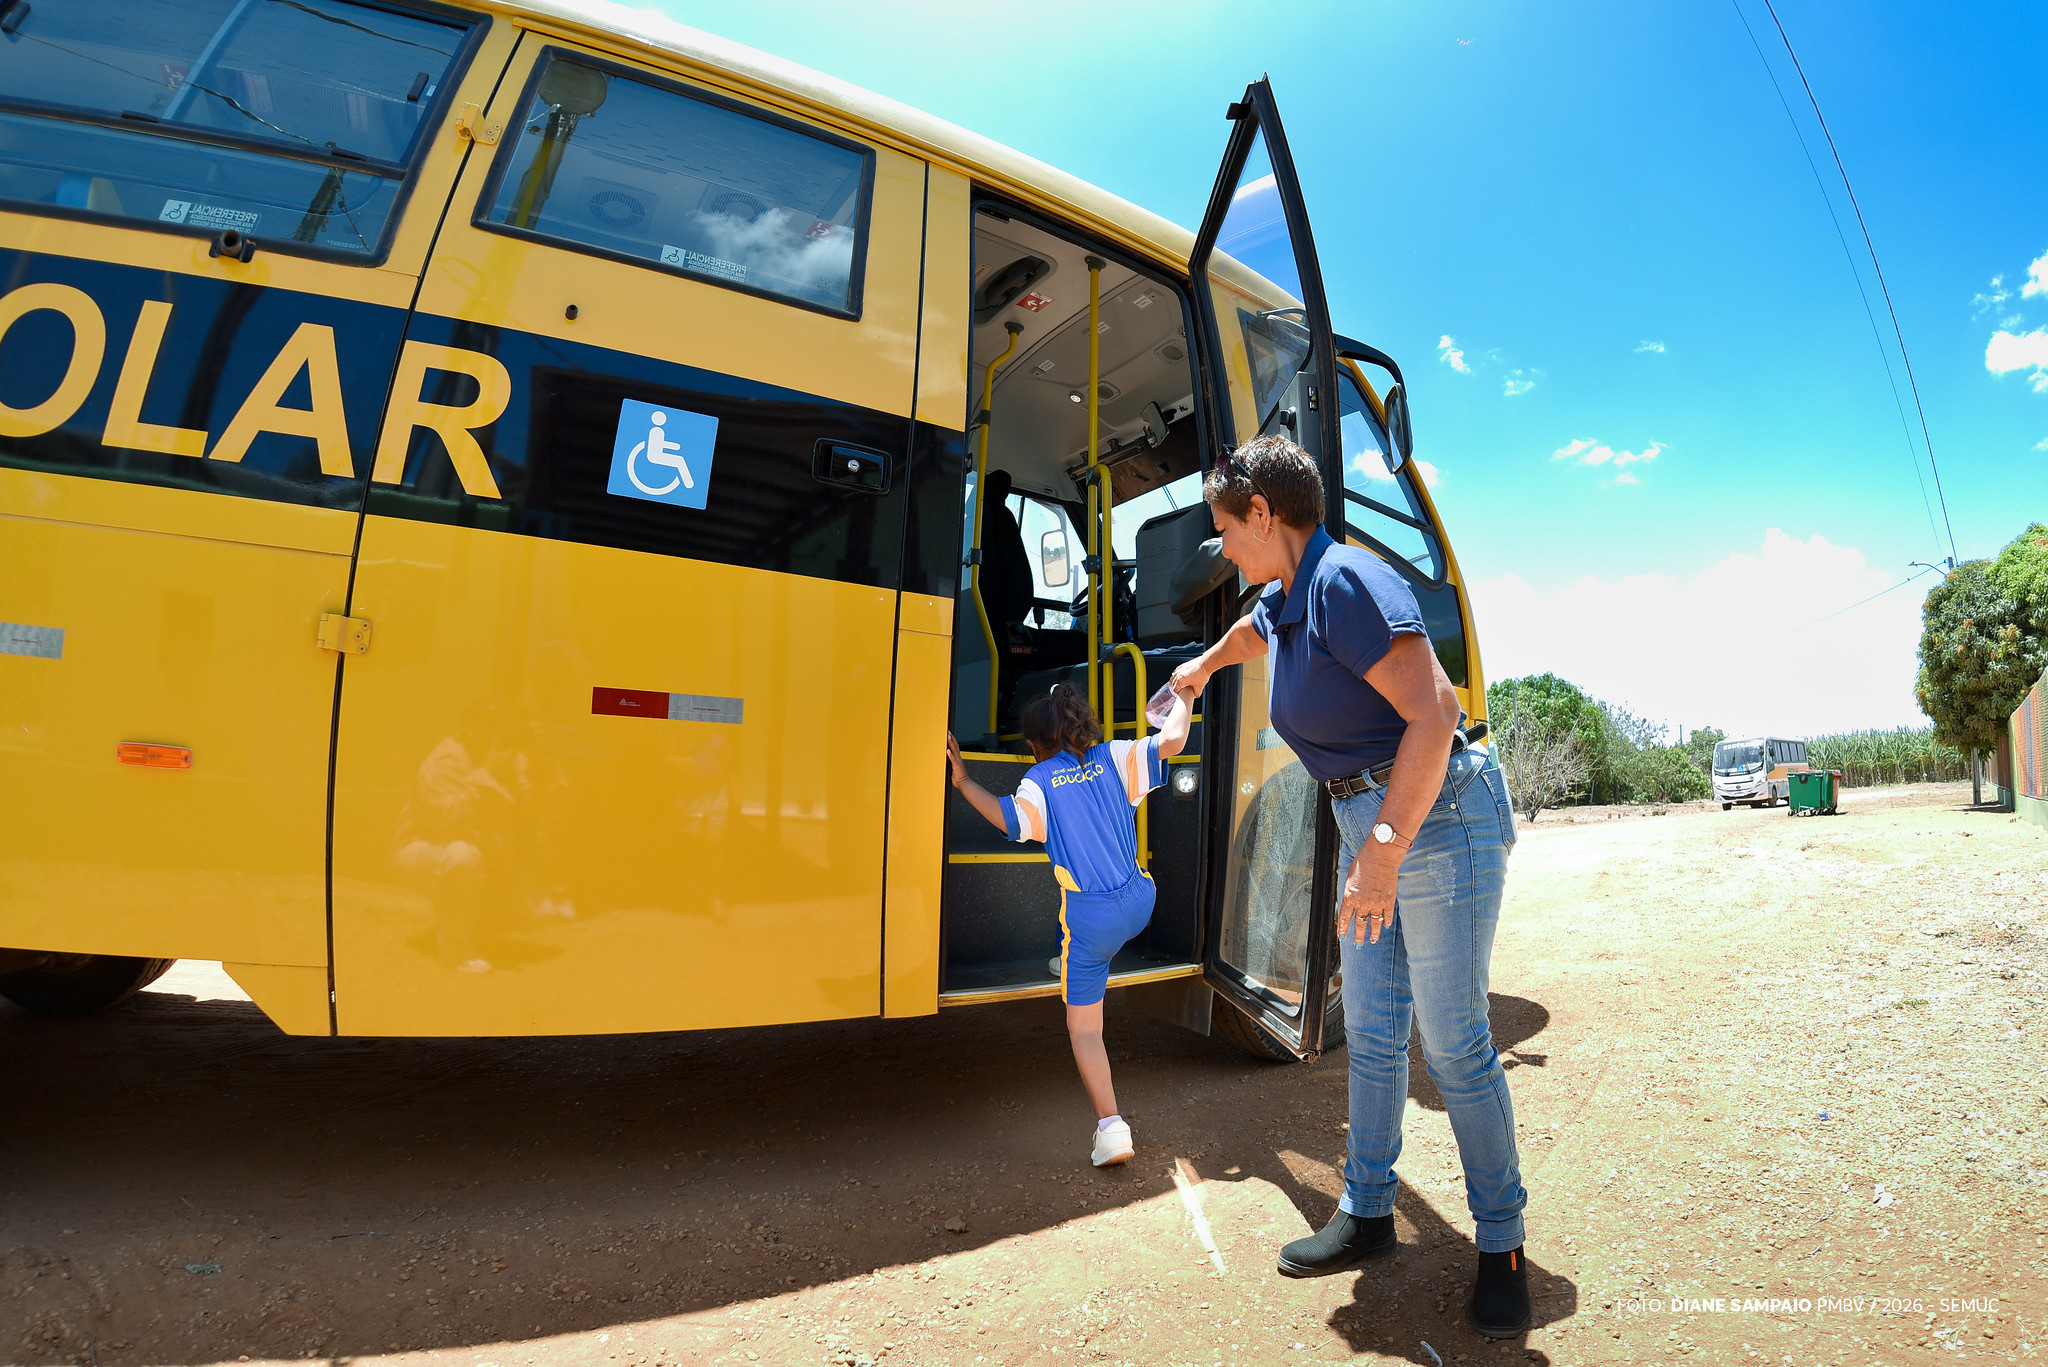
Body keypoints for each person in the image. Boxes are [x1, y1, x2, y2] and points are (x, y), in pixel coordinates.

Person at [1170, 434, 1529, 1339]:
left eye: (1229, 529)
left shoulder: (1346, 583)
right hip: (1374, 820)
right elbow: (1255, 625)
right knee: (1369, 1030)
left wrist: (1382, 847)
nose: (1225, 549)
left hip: (1436, 818)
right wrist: (1199, 669)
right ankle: (1369, 1209)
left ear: (1266, 513)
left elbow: (1436, 714)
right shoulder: (1288, 594)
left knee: (1452, 1043)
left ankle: (1504, 1242)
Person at [946, 681, 1193, 1167]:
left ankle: (1111, 1128)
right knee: (1097, 935)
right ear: (1084, 727)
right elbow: (1175, 741)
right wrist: (1188, 691)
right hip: (1141, 901)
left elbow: (1007, 821)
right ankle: (1077, 955)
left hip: (1093, 922)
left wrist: (962, 781)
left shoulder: (1038, 781)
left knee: (1084, 1030)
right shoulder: (1117, 754)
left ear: (1035, 745)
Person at [978, 468, 1035, 635]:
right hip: (1001, 621)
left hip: (982, 617)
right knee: (1082, 643)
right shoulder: (1002, 518)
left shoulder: (972, 524)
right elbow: (1016, 574)